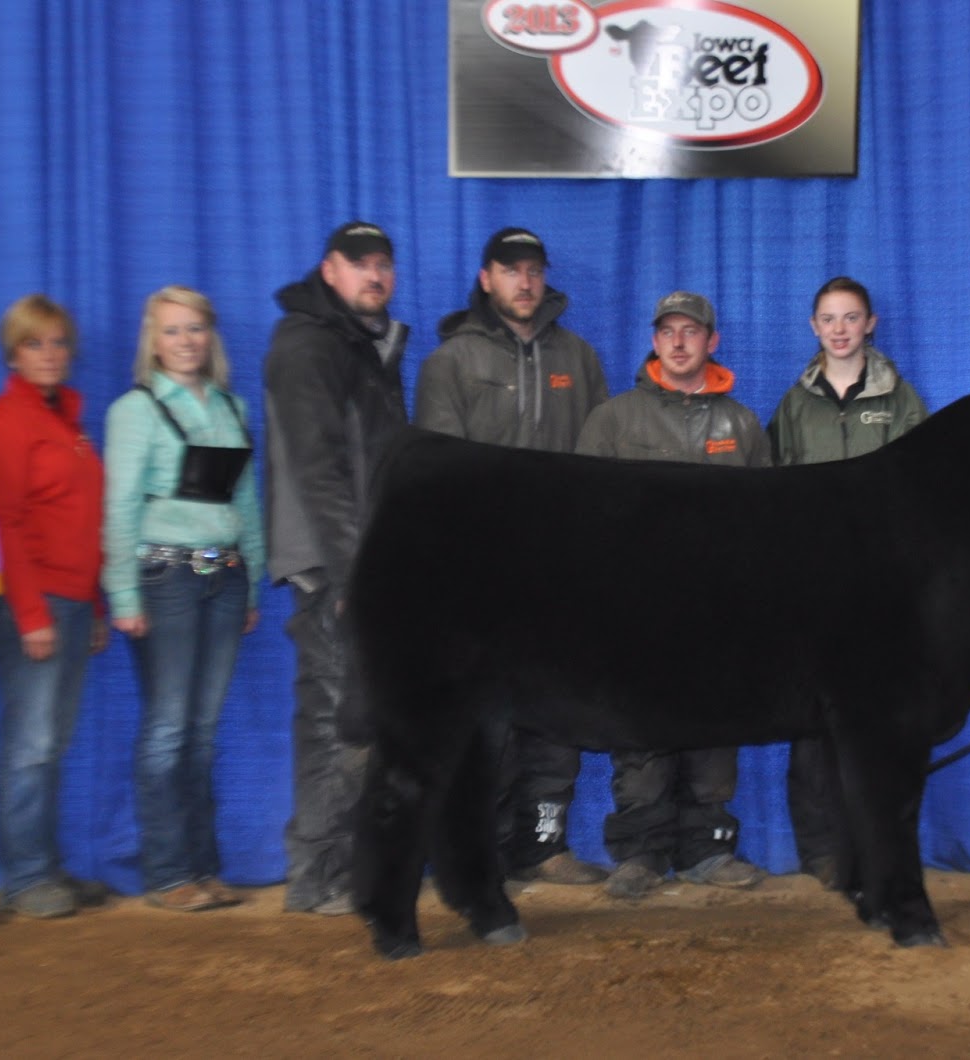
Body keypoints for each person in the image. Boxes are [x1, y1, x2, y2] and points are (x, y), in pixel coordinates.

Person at [413, 227, 609, 886]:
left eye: (533, 270)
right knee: (483, 717)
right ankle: (484, 852)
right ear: (486, 277)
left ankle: (545, 845)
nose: (524, 282)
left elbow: (599, 465)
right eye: (510, 270)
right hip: (481, 572)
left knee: (559, 711)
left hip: (562, 571)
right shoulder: (451, 362)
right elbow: (439, 471)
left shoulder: (579, 358)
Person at [575, 290, 771, 899]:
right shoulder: (612, 420)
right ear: (654, 340)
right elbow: (581, 516)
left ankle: (708, 849)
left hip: (720, 609)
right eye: (668, 331)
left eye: (691, 331)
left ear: (713, 341)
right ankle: (639, 853)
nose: (679, 342)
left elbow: (769, 522)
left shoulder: (742, 425)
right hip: (637, 610)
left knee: (715, 726)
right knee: (640, 731)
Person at [101, 286, 265, 912]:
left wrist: (253, 578)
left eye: (195, 328)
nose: (186, 341)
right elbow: (119, 507)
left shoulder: (229, 405)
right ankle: (169, 874)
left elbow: (244, 501)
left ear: (210, 336)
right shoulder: (136, 410)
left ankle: (203, 867)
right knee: (169, 728)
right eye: (172, 330)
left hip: (224, 574)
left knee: (201, 731)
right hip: (165, 577)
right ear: (153, 340)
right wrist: (122, 591)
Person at [264, 221, 409, 915]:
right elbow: (317, 468)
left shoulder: (361, 345)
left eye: (383, 264)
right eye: (359, 264)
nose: (374, 275)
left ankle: (346, 866)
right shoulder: (308, 344)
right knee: (332, 714)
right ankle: (319, 872)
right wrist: (354, 575)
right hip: (333, 566)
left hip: (363, 557)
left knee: (357, 714)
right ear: (329, 270)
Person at [766, 276, 927, 886]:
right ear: (813, 327)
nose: (839, 329)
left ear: (870, 324)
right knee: (811, 721)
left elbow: (921, 494)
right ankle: (820, 849)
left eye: (851, 317)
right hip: (809, 591)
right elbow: (773, 494)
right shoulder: (793, 406)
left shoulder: (902, 401)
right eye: (828, 319)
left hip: (880, 591)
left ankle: (872, 842)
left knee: (877, 723)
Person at [0, 294, 110, 919]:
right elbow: (3, 523)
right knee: (32, 739)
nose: (50, 354)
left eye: (58, 342)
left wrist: (96, 605)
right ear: (12, 354)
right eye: (34, 343)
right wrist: (30, 614)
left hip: (72, 597)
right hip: (29, 599)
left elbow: (83, 521)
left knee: (51, 738)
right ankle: (26, 877)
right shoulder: (5, 420)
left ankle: (44, 866)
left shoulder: (67, 421)